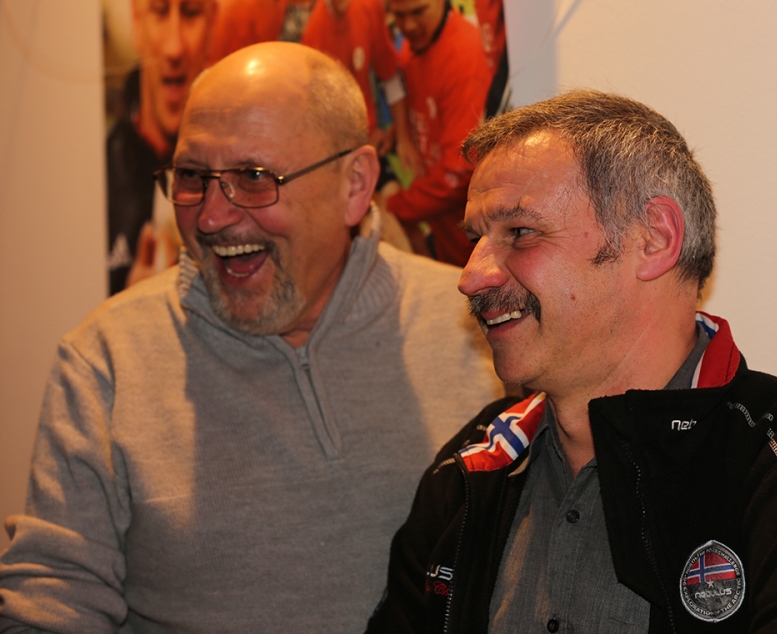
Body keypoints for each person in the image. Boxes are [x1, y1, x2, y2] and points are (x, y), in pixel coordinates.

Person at [0, 42, 504, 633]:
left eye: (253, 177)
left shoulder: (482, 329)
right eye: (193, 177)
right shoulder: (106, 360)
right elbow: (53, 600)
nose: (211, 217)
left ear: (354, 185)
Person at [367, 90, 777, 633]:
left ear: (654, 239)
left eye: (520, 233)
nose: (471, 277)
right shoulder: (470, 467)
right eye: (476, 239)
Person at [107, 0, 215, 295]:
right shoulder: (93, 170)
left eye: (191, 12)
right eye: (159, 10)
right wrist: (128, 309)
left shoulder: (237, 174)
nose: (174, 48)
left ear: (213, 22)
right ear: (136, 20)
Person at [379, 0, 491, 266]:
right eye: (399, 14)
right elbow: (425, 114)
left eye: (418, 11)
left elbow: (459, 170)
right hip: (444, 237)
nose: (409, 25)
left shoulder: (465, 56)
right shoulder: (412, 49)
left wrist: (394, 207)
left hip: (474, 249)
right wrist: (396, 136)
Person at [300, 0, 424, 177]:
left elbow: (388, 73)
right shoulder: (314, 35)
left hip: (371, 139)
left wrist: (403, 138)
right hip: (337, 152)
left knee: (396, 188)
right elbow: (317, 120)